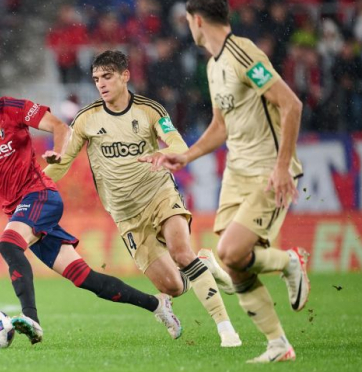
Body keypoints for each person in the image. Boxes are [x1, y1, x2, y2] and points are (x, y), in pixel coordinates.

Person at [0, 75, 182, 344]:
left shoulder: (12, 110)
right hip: (20, 211)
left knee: (8, 244)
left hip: (40, 196)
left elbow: (60, 127)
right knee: (85, 278)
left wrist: (59, 152)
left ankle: (31, 320)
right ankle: (157, 305)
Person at [43, 50, 240, 348]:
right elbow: (63, 161)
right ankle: (203, 263)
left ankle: (227, 330)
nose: (101, 84)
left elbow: (175, 141)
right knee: (172, 286)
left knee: (180, 253)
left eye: (107, 77)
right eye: (96, 79)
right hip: (126, 215)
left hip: (159, 194)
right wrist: (35, 186)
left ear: (125, 76)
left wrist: (164, 152)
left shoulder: (150, 110)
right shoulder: (86, 119)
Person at [153, 0, 310, 363]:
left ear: (196, 20)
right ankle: (278, 345)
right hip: (236, 174)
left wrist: (283, 166)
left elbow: (291, 106)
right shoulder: (213, 65)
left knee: (229, 253)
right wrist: (186, 155)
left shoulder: (243, 53)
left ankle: (289, 261)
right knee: (236, 263)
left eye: (188, 21)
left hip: (267, 169)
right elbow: (220, 126)